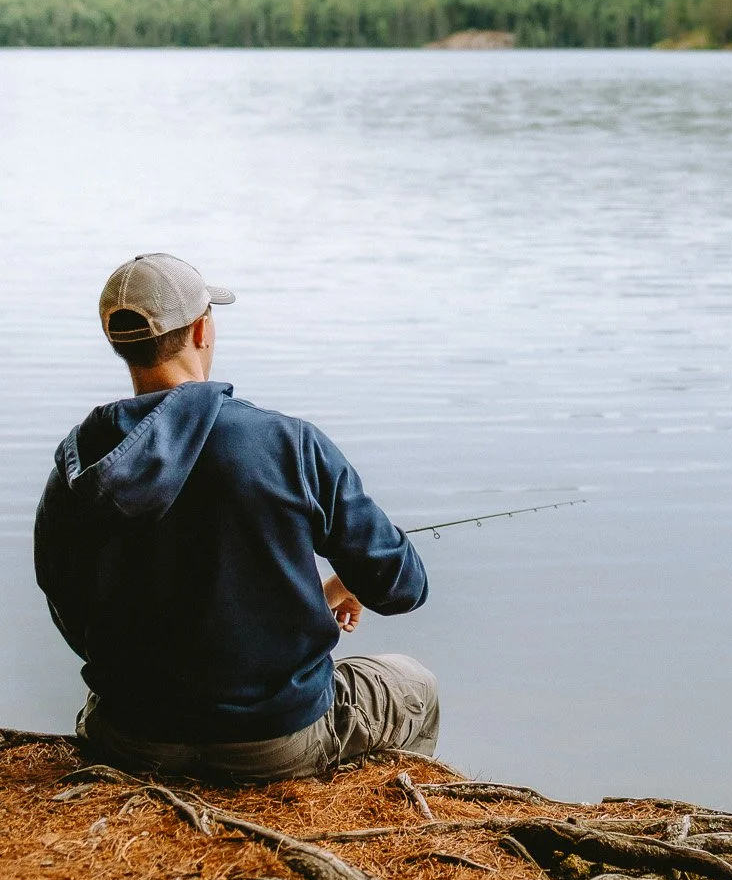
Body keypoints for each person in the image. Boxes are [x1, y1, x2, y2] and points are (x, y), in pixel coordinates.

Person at [34, 253, 437, 781]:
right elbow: (402, 587)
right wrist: (355, 578)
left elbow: (62, 594)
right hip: (274, 739)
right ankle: (381, 821)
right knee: (414, 684)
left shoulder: (81, 458)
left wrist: (324, 594)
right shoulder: (288, 443)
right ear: (202, 329)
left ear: (120, 344)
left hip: (130, 735)